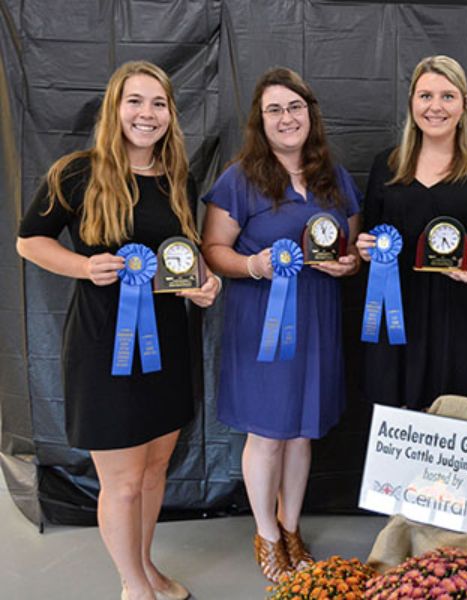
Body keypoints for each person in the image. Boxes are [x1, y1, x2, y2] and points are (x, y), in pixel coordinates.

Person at [16, 61, 220, 600]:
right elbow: (29, 240)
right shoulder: (75, 173)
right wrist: (83, 267)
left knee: (155, 473)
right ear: (115, 107)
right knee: (124, 482)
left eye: (158, 103)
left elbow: (183, 256)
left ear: (171, 115)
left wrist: (204, 283)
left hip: (166, 346)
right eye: (135, 101)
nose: (146, 114)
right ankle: (134, 586)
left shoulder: (179, 177)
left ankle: (145, 566)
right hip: (103, 344)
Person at [200, 67, 361, 583]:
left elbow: (351, 249)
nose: (286, 118)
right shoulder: (239, 178)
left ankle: (292, 528)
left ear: (311, 115)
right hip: (261, 320)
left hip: (317, 317)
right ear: (260, 120)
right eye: (275, 109)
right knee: (268, 434)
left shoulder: (334, 177)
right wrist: (256, 265)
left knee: (301, 433)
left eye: (295, 107)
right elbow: (213, 251)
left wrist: (349, 264)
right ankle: (266, 536)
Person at [356, 55, 467, 415]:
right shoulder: (385, 165)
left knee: (456, 423)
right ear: (412, 103)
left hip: (462, 318)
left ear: (464, 105)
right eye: (425, 96)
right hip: (396, 316)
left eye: (448, 96)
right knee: (398, 429)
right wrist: (366, 248)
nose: (436, 107)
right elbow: (370, 235)